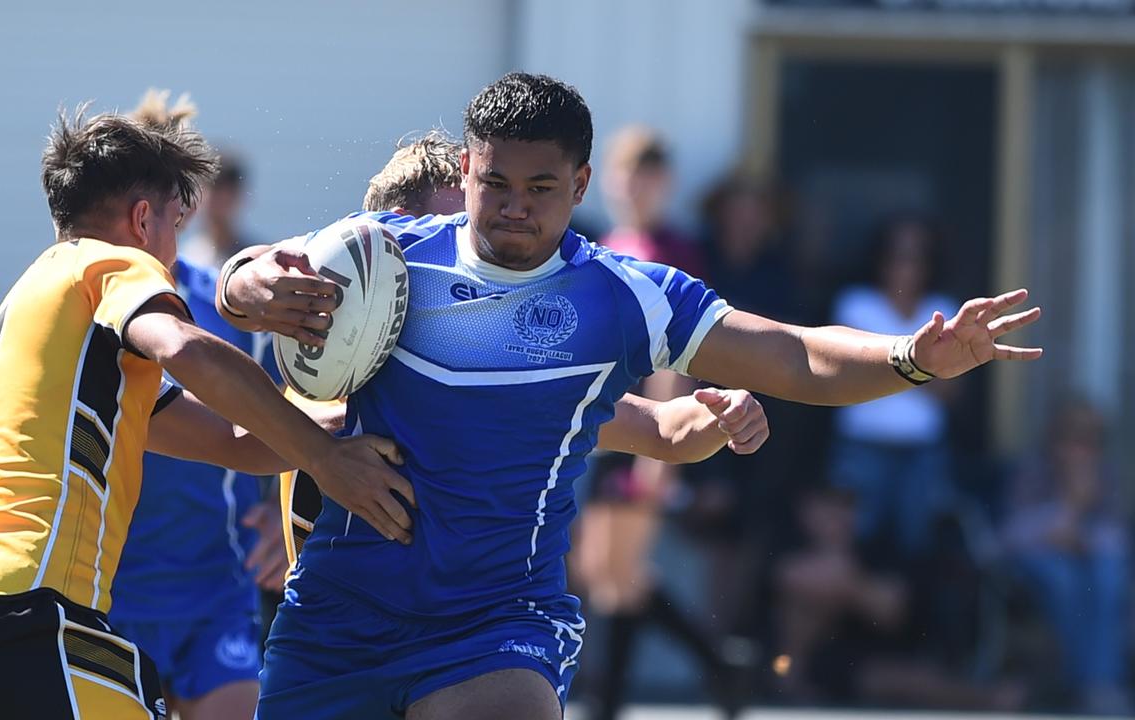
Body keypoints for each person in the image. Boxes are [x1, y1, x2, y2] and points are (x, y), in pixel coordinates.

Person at [221, 73, 1041, 720]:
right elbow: (255, 272)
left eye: (540, 188)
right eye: (494, 181)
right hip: (337, 618)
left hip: (495, 624)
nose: (512, 208)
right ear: (465, 167)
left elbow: (788, 354)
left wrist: (912, 357)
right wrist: (248, 284)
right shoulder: (387, 260)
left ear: (580, 183)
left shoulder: (624, 297)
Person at [0, 97, 412, 720]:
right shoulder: (113, 264)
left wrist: (338, 430)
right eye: (173, 230)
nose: (173, 256)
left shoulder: (44, 308)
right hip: (23, 605)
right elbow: (184, 348)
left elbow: (230, 443)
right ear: (141, 220)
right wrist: (325, 459)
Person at [281, 131, 771, 579]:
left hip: (468, 640)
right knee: (614, 578)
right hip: (355, 640)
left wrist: (718, 417)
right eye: (444, 241)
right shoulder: (322, 381)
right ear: (387, 251)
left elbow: (657, 427)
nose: (470, 263)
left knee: (614, 579)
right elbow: (237, 431)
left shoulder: (493, 373)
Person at [108, 93, 287, 720]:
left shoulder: (231, 305)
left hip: (217, 589)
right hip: (106, 597)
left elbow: (285, 418)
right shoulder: (84, 303)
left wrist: (279, 518)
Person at [573, 126, 741, 720]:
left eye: (646, 177)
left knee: (619, 576)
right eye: (625, 176)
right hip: (607, 423)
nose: (634, 188)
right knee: (603, 572)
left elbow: (677, 359)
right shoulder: (611, 242)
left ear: (664, 184)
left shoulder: (675, 250)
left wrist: (658, 456)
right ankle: (719, 663)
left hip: (648, 428)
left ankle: (609, 703)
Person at [827, 215, 961, 561]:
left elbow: (950, 393)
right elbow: (842, 376)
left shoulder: (944, 311)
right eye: (898, 255)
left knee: (918, 546)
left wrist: (889, 364)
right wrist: (923, 366)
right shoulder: (854, 304)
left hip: (922, 451)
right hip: (861, 446)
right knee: (853, 544)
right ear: (880, 259)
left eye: (916, 257)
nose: (906, 266)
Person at [1003, 397, 1130, 715]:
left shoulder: (1105, 476)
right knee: (1065, 579)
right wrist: (1073, 507)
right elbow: (1013, 537)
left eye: (1090, 441)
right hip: (1033, 566)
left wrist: (1077, 535)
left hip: (1088, 563)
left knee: (1108, 576)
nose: (1080, 450)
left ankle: (1100, 683)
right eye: (1073, 438)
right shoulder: (1031, 471)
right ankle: (1078, 683)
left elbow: (1115, 539)